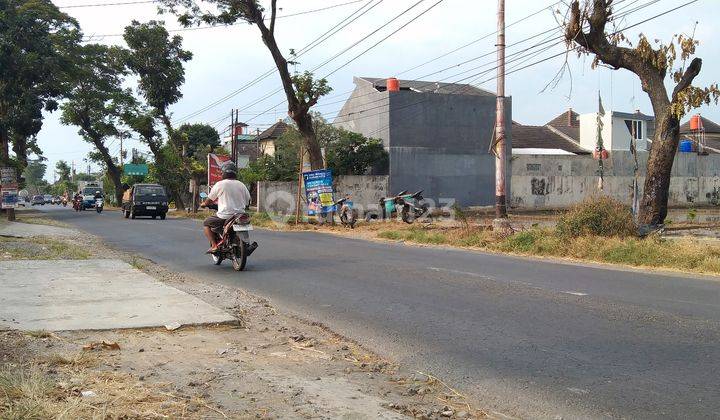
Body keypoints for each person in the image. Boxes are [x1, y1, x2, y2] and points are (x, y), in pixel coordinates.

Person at [200, 161, 251, 253]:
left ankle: (214, 245)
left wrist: (204, 204)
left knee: (206, 223)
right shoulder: (242, 185)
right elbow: (248, 201)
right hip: (240, 215)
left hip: (225, 216)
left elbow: (209, 200)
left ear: (223, 172)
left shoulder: (220, 184)